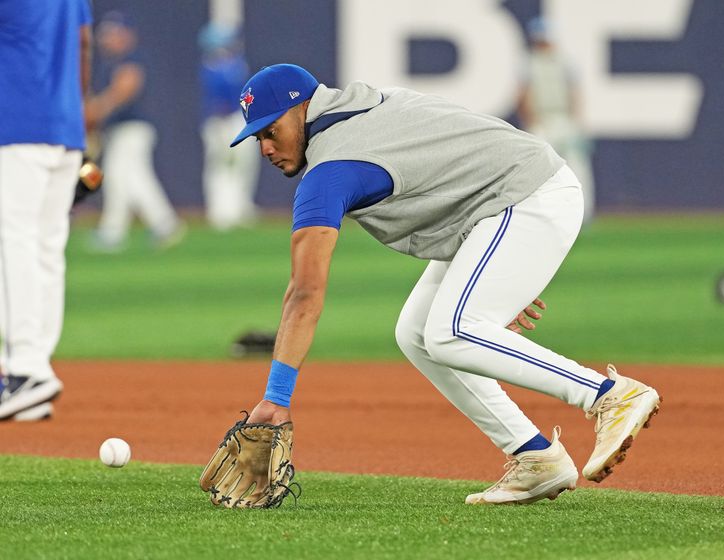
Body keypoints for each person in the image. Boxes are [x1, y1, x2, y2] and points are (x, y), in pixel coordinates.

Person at [224, 64, 661, 505]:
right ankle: (534, 457)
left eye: (270, 130)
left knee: (451, 330)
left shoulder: (327, 173)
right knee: (416, 333)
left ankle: (607, 396)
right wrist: (503, 273)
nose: (263, 147)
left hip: (526, 197)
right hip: (500, 205)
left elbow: (304, 292)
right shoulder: (369, 101)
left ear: (302, 108)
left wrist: (276, 398)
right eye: (257, 137)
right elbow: (459, 144)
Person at [0, 0, 93, 421]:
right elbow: (84, 45)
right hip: (66, 127)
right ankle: (35, 369)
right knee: (46, 247)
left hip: (16, 124)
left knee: (14, 240)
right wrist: (79, 119)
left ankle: (23, 371)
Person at [85, 11, 185, 251]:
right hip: (120, 130)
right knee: (125, 179)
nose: (107, 39)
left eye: (113, 34)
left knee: (131, 178)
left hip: (132, 129)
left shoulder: (130, 59)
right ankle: (136, 228)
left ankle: (156, 225)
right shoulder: (110, 63)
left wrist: (97, 110)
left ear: (126, 35)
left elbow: (125, 88)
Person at [517, 17, 595, 224]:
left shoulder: (565, 61)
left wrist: (576, 123)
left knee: (577, 166)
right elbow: (524, 95)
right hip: (541, 120)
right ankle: (540, 212)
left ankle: (582, 214)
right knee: (538, 170)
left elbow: (574, 93)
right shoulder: (529, 62)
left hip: (562, 119)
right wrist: (532, 122)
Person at [198, 23, 260, 230]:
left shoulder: (236, 63)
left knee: (244, 163)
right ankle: (220, 212)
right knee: (220, 166)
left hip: (238, 119)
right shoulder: (212, 66)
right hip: (221, 122)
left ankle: (240, 206)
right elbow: (219, 101)